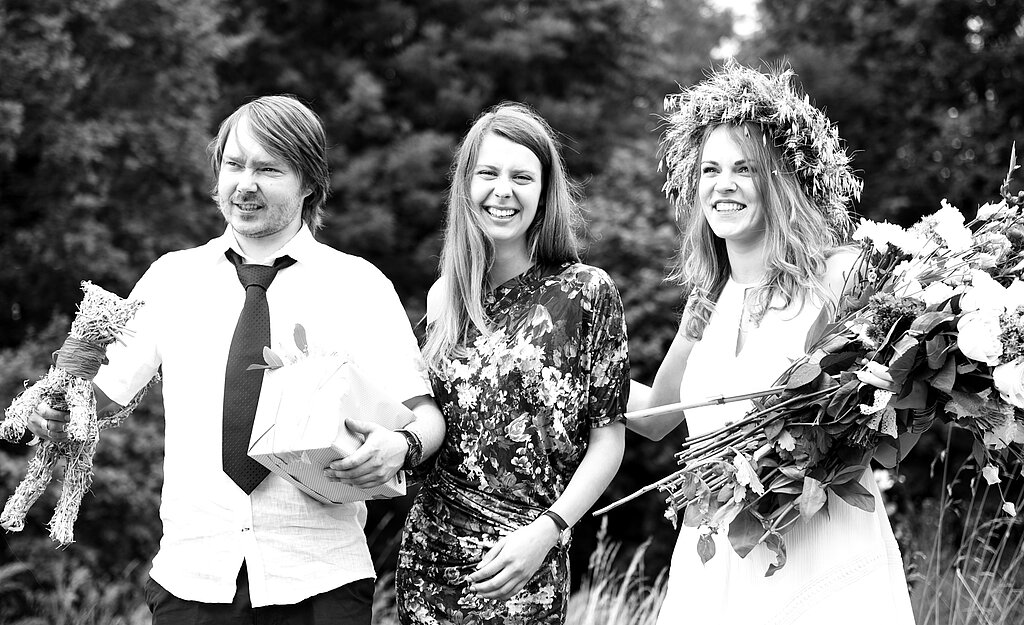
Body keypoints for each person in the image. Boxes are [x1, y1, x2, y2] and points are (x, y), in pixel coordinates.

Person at [26, 94, 445, 625]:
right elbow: (101, 397)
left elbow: (426, 416)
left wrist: (402, 447)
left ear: (309, 182)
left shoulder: (358, 285)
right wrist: (55, 412)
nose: (245, 184)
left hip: (323, 583)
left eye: (268, 169)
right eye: (234, 165)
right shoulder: (171, 278)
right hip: (192, 582)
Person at [627, 62, 915, 624]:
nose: (723, 184)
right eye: (710, 169)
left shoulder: (836, 276)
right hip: (718, 560)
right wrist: (567, 373)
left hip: (816, 551)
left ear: (780, 179)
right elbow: (656, 417)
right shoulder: (707, 301)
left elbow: (892, 395)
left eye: (745, 168)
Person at [395, 103, 629, 624]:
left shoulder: (586, 292)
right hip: (429, 561)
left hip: (527, 564)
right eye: (489, 174)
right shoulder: (444, 296)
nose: (503, 190)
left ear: (544, 193)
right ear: (466, 185)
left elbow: (609, 441)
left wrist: (550, 530)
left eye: (522, 177)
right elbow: (430, 424)